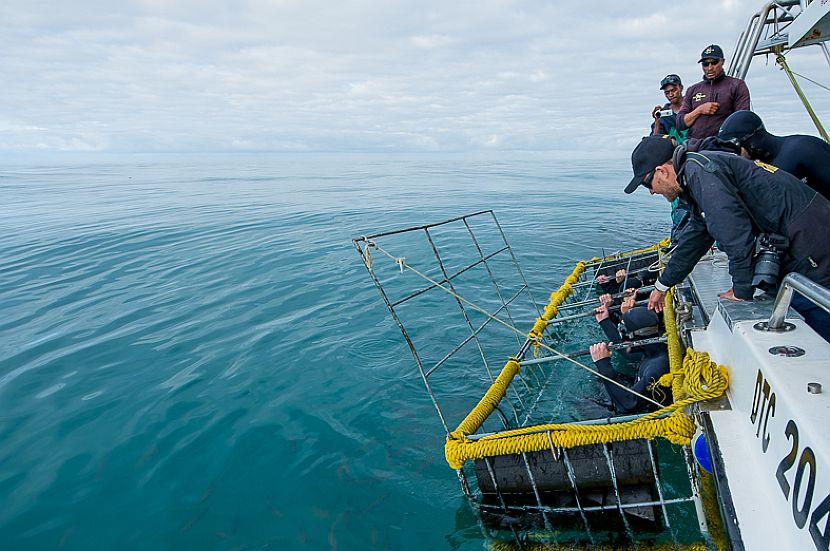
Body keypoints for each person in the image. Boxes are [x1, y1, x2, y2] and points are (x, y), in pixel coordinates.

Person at [625, 135, 830, 341]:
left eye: (647, 184)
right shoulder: (698, 169)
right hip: (808, 238)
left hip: (812, 249)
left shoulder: (701, 173)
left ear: (661, 171)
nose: (651, 191)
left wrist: (741, 291)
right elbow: (696, 238)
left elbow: (735, 235)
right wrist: (662, 285)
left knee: (815, 323)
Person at [718, 110, 830, 199]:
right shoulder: (766, 167)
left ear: (750, 141)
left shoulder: (804, 148)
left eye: (736, 147)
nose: (735, 154)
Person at [589, 307, 669, 414]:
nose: (621, 336)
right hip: (640, 391)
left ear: (635, 336)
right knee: (598, 379)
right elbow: (625, 349)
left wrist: (603, 365)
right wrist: (604, 321)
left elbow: (629, 405)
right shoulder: (654, 350)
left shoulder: (657, 368)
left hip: (644, 414)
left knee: (584, 405)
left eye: (622, 330)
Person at [676, 45, 750, 140]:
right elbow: (680, 123)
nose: (710, 68)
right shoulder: (692, 89)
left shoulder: (737, 85)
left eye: (714, 63)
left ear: (722, 62)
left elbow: (742, 120)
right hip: (694, 146)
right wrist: (699, 110)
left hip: (723, 146)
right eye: (705, 64)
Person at [651, 74, 688, 142]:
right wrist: (657, 121)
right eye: (667, 92)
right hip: (673, 150)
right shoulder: (663, 116)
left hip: (696, 148)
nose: (671, 95)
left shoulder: (693, 105)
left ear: (681, 87)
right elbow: (654, 141)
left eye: (673, 90)